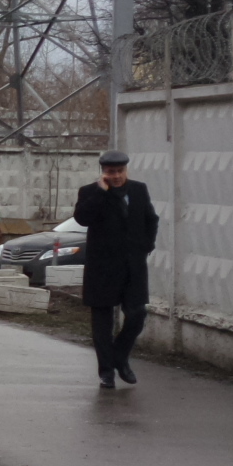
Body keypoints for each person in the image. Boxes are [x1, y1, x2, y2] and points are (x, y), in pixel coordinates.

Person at [74, 149, 158, 389]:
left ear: (126, 170)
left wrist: (146, 245)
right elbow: (82, 218)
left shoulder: (138, 190)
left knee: (137, 314)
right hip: (102, 268)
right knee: (102, 322)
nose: (117, 176)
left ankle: (119, 356)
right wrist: (102, 192)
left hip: (132, 267)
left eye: (120, 171)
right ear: (103, 173)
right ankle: (106, 372)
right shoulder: (91, 192)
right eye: (111, 172)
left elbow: (151, 219)